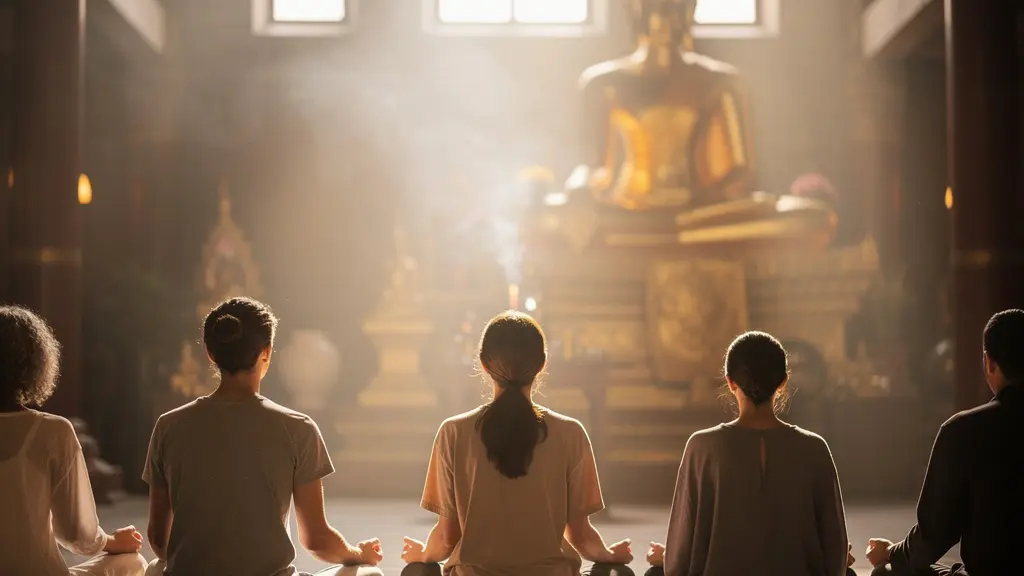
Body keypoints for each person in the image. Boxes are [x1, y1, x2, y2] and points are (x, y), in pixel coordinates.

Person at [143, 297, 383, 576]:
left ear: (209, 352)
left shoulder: (169, 426)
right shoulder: (298, 428)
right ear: (266, 352)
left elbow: (160, 542)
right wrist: (358, 553)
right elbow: (317, 541)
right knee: (370, 575)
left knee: (155, 566)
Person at [400, 311, 634, 576]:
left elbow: (446, 538)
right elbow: (580, 536)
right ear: (541, 364)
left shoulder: (453, 432)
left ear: (484, 364)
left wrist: (422, 555)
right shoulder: (571, 433)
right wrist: (609, 555)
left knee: (417, 571)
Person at [646, 331, 855, 576]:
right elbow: (835, 547)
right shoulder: (814, 448)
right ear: (783, 382)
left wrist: (666, 557)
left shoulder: (701, 446)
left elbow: (680, 557)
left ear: (731, 381)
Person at [865, 309, 1024, 576]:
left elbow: (934, 536)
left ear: (989, 363)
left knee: (887, 574)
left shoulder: (964, 430)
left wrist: (892, 552)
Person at [0, 305, 147, 576]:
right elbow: (77, 534)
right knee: (134, 563)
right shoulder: (51, 431)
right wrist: (115, 542)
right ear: (35, 363)